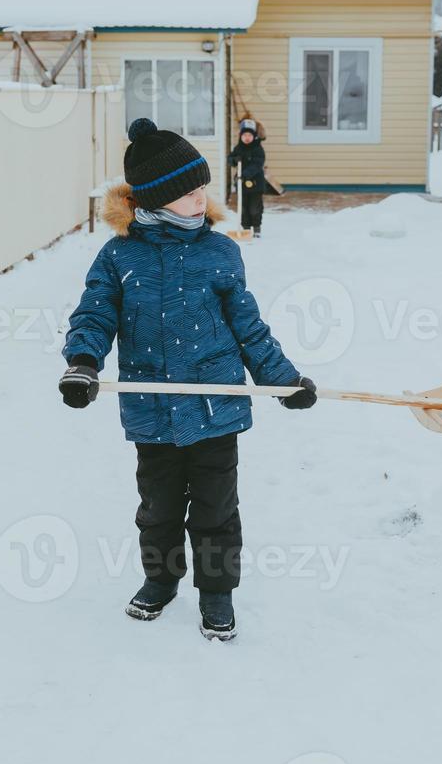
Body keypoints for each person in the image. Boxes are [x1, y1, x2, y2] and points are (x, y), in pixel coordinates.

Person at [58, 118, 317, 641]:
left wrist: (282, 379)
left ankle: (217, 592)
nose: (201, 200)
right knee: (158, 509)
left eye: (203, 189)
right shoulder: (119, 256)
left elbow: (248, 327)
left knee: (218, 511)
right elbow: (94, 314)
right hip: (151, 410)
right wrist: (83, 363)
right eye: (188, 193)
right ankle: (161, 579)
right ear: (154, 198)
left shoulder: (219, 252)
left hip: (216, 406)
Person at [227, 117, 265, 239]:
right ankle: (246, 228)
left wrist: (245, 175)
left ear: (254, 136)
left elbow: (257, 165)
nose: (247, 137)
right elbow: (230, 159)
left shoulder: (258, 149)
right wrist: (234, 160)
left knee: (254, 208)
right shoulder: (238, 148)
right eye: (244, 135)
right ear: (241, 136)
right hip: (241, 183)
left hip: (255, 184)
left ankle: (257, 227)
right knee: (243, 208)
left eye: (249, 135)